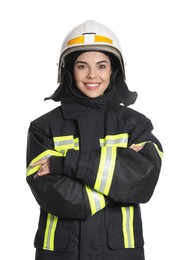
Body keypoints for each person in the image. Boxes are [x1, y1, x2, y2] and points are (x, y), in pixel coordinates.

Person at [26, 20, 163, 260]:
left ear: (114, 70)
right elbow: (56, 198)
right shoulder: (42, 128)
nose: (92, 75)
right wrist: (119, 186)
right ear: (68, 70)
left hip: (119, 253)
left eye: (101, 66)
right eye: (82, 66)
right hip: (62, 254)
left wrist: (63, 164)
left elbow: (143, 181)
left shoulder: (135, 124)